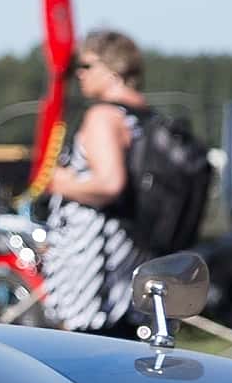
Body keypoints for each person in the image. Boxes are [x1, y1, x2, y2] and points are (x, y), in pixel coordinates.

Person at [31, 32, 146, 331]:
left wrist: (60, 182)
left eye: (85, 66)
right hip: (129, 266)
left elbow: (109, 184)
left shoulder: (103, 117)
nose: (78, 75)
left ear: (112, 69)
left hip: (96, 279)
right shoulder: (143, 116)